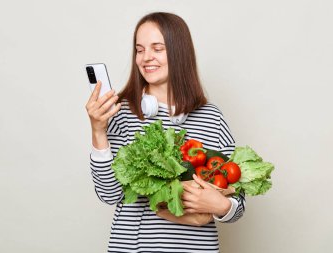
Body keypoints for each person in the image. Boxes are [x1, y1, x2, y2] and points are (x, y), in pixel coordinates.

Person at [86, 12, 245, 253]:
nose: (146, 58)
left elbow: (238, 203)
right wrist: (98, 131)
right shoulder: (121, 112)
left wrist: (221, 205)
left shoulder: (211, 117)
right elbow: (110, 195)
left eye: (157, 48)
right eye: (139, 50)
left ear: (179, 52)